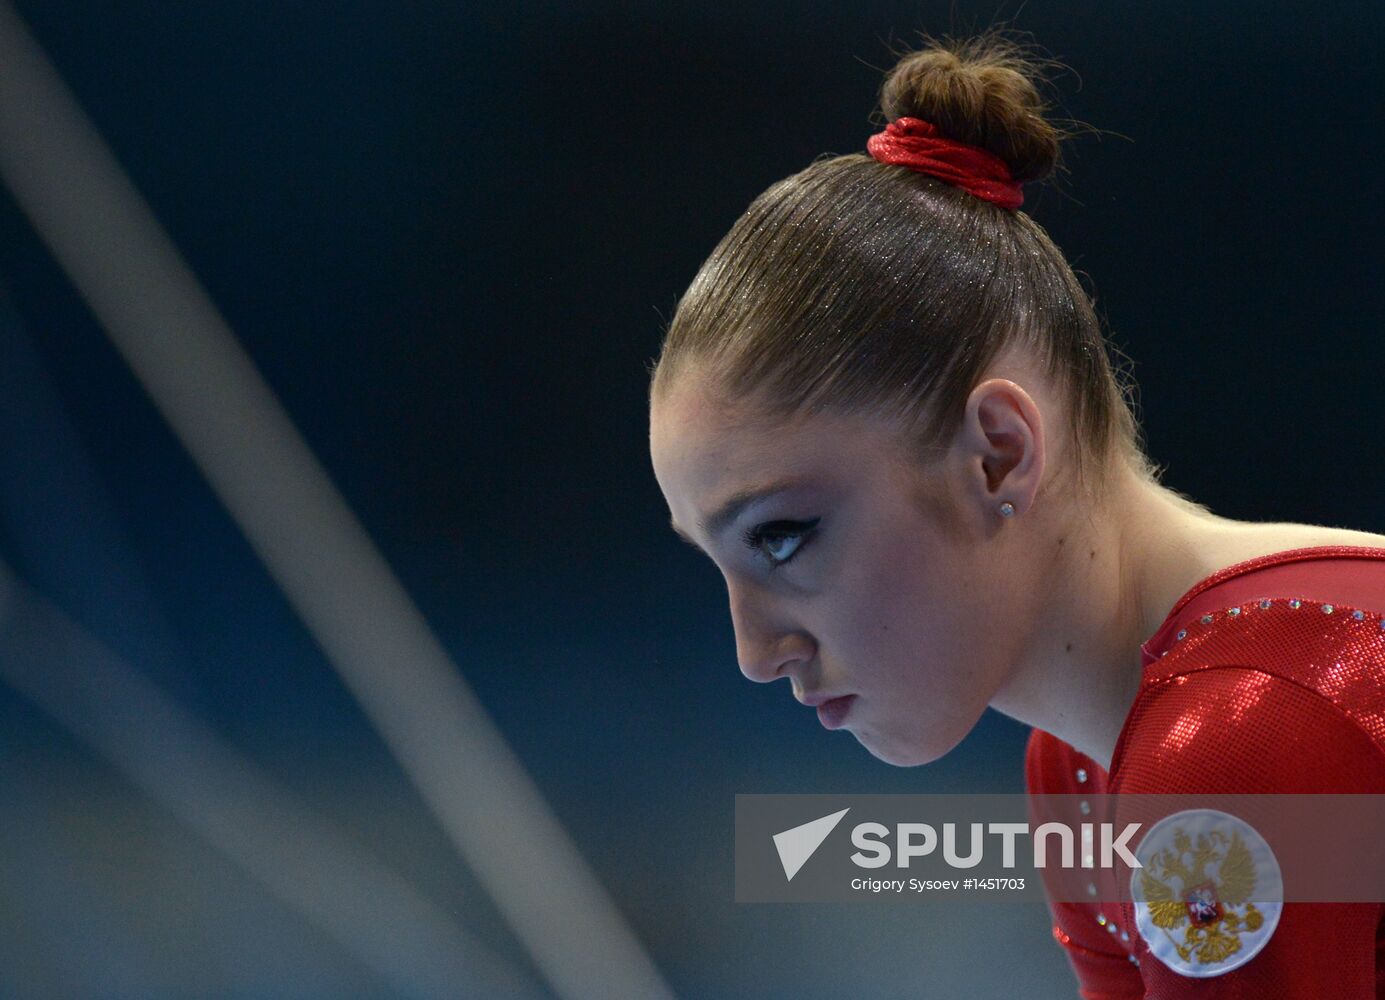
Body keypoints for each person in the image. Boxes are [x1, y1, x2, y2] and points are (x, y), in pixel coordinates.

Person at [645, 28, 1385, 998]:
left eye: (784, 538)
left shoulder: (1237, 732)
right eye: (717, 565)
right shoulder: (1080, 769)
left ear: (996, 451)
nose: (754, 650)